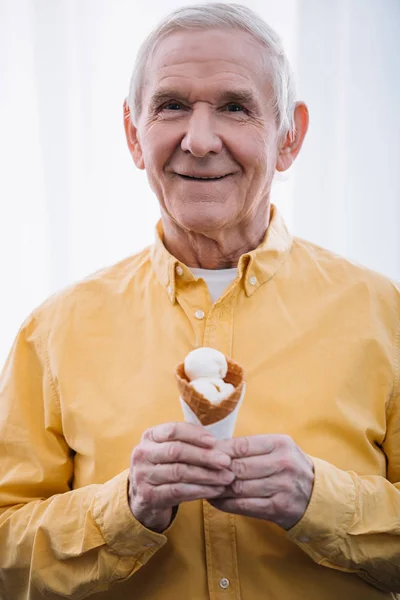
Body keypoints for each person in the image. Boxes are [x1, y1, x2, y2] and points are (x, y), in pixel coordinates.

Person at [0, 3, 399, 599]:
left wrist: (323, 500)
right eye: (172, 106)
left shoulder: (384, 315)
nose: (201, 139)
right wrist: (124, 508)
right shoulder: (53, 331)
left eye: (235, 107)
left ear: (290, 136)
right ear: (135, 135)